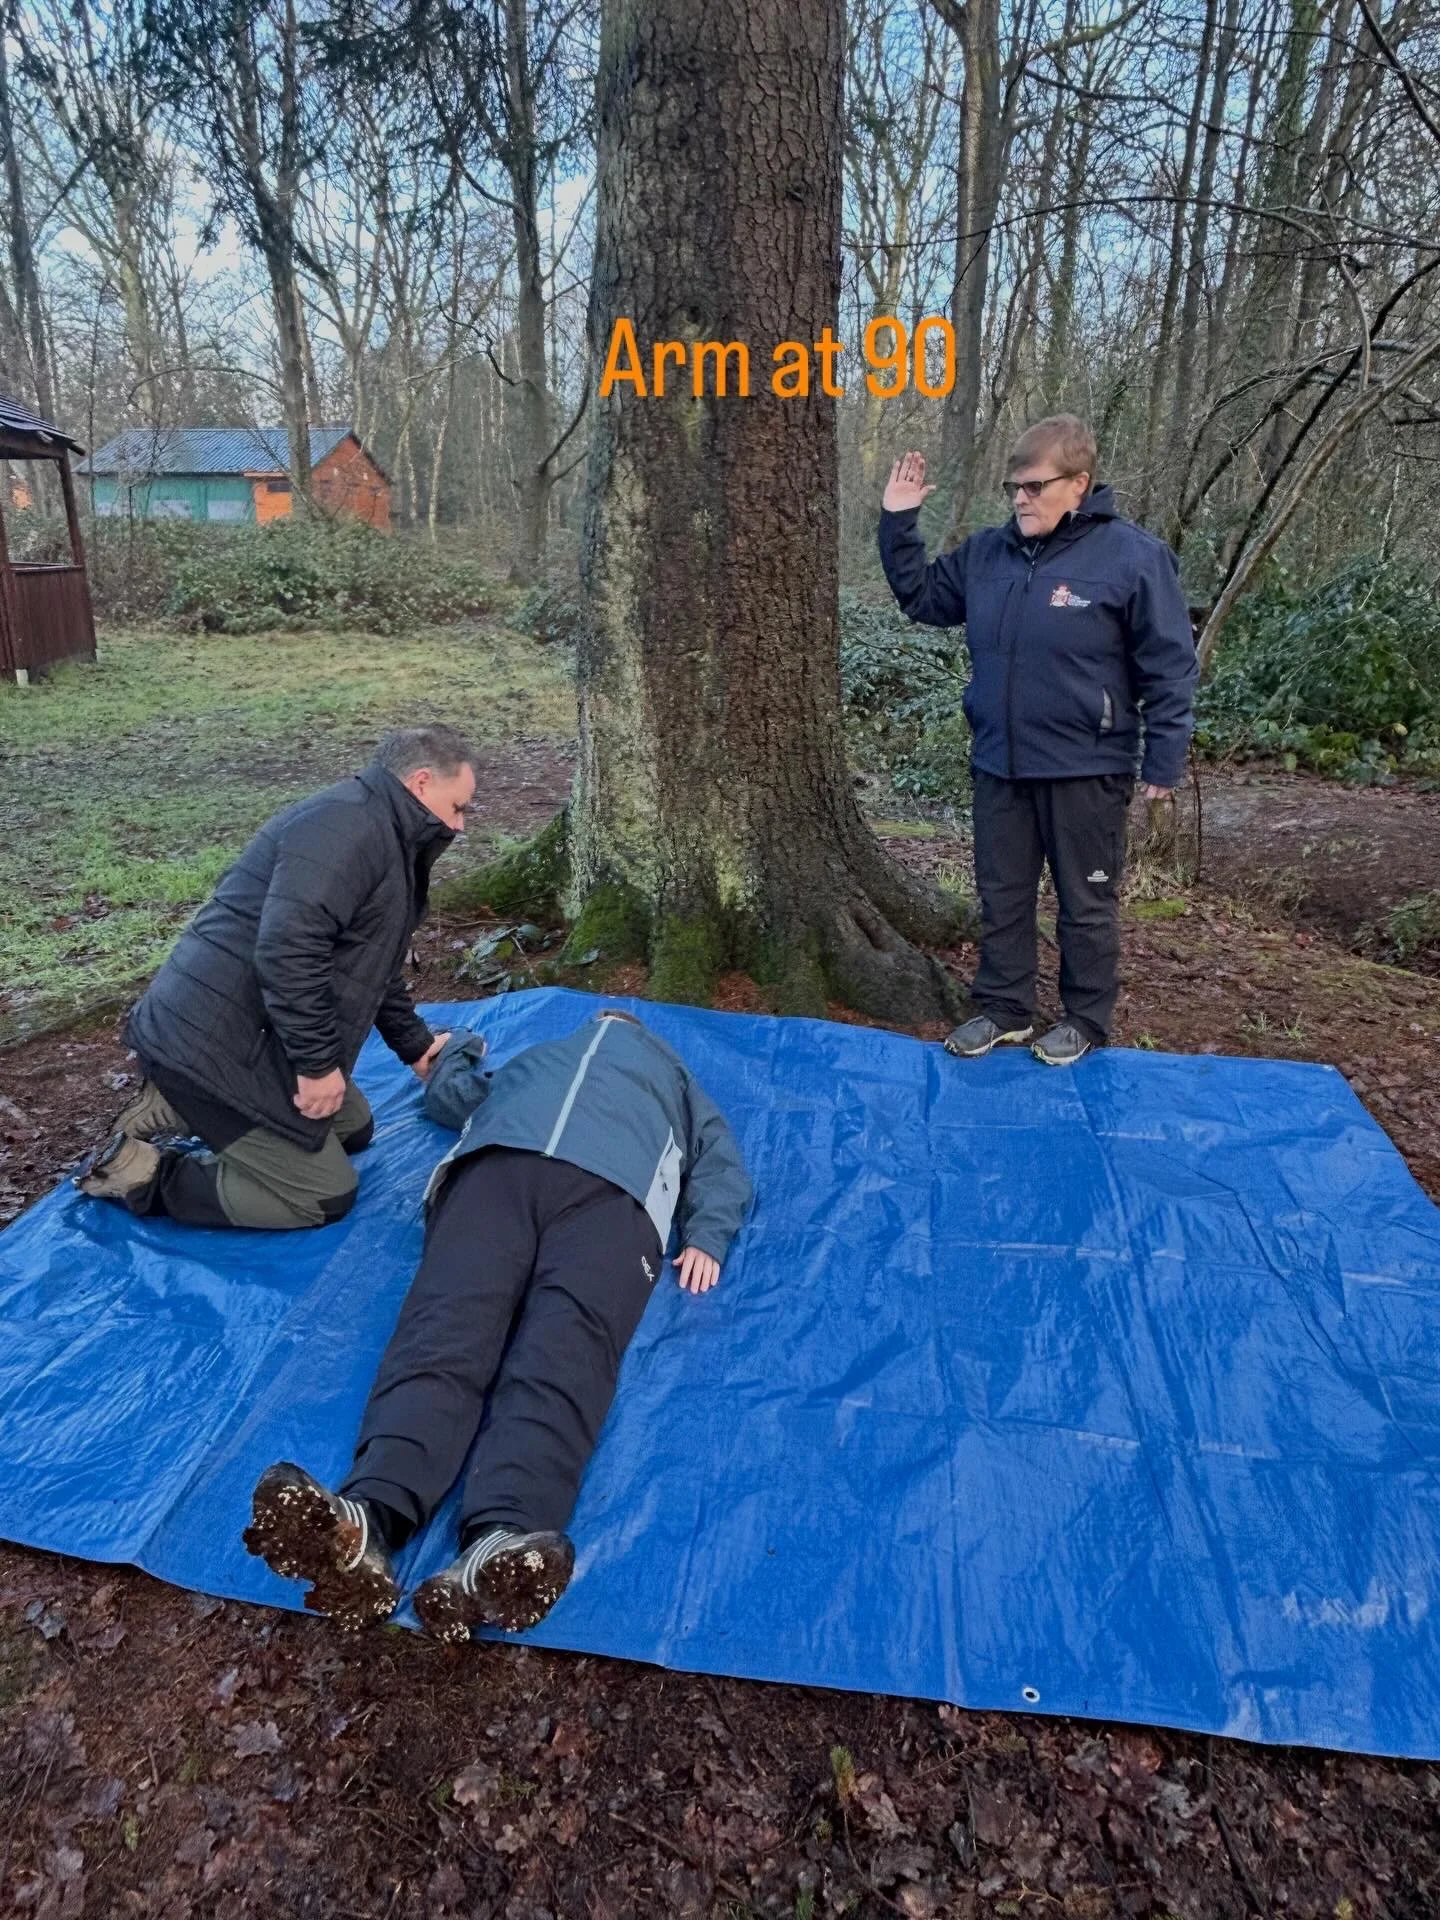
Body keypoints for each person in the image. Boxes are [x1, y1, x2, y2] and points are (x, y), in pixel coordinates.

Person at [242, 1006, 752, 1640]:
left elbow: (719, 1160)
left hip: (611, 1197)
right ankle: (367, 1519)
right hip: (498, 1169)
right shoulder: (540, 1060)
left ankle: (500, 1540)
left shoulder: (673, 1081)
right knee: (447, 1327)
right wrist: (457, 1051)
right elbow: (454, 1096)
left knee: (563, 1350)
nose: (609, 1023)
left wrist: (708, 1232)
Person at [878, 416, 1197, 1065]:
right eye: (1013, 487)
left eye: (1034, 486)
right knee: (1003, 894)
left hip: (1088, 766)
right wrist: (897, 521)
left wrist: (1163, 762)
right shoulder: (989, 554)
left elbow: (1169, 666)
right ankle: (1003, 1007)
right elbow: (921, 598)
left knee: (1086, 903)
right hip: (1001, 762)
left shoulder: (1132, 557)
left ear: (1078, 484)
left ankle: (1084, 1016)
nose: (1020, 498)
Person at [71, 725, 478, 1230]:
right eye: (458, 808)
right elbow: (288, 952)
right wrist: (315, 1066)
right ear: (420, 784)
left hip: (256, 1028)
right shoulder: (348, 830)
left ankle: (181, 1108)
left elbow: (373, 963)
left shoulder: (386, 834)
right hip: (208, 1044)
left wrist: (415, 1046)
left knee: (353, 1129)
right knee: (324, 1196)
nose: (460, 828)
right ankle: (144, 1173)